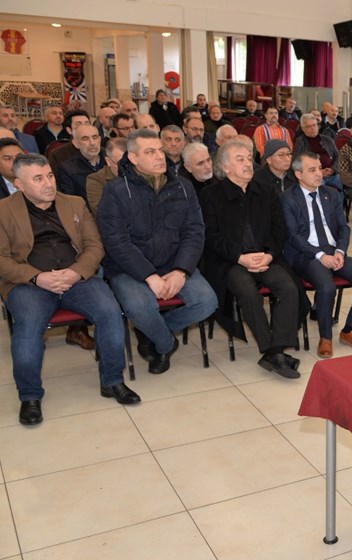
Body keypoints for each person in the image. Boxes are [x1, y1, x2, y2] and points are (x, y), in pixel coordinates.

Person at [0, 153, 141, 425]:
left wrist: (76, 272)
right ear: (19, 183)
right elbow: (2, 258)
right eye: (38, 179)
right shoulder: (4, 210)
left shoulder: (74, 203)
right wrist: (36, 277)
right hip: (28, 283)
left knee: (111, 312)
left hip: (76, 277)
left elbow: (95, 245)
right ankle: (30, 396)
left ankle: (112, 381)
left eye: (50, 176)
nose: (49, 184)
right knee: (28, 326)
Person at [97, 129, 218, 374]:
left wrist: (181, 271)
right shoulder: (117, 191)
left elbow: (194, 232)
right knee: (140, 307)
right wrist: (148, 276)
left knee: (207, 302)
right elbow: (116, 241)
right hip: (130, 269)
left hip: (174, 262)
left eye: (160, 150)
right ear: (133, 158)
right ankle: (165, 342)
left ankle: (152, 331)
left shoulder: (183, 187)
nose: (159, 156)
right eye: (150, 152)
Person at [199, 140, 305, 379]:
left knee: (288, 287)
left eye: (249, 158)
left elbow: (279, 229)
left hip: (264, 256)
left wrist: (268, 253)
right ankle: (271, 349)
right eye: (240, 159)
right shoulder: (210, 195)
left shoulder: (265, 191)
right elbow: (210, 236)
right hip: (230, 261)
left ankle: (275, 350)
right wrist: (240, 257)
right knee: (247, 291)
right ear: (225, 167)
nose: (248, 163)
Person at [282, 152, 352, 357]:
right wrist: (319, 256)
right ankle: (326, 336)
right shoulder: (288, 198)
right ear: (298, 174)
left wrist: (340, 251)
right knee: (326, 286)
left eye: (319, 168)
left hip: (333, 250)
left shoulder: (330, 194)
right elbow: (293, 235)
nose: (319, 174)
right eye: (312, 170)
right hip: (305, 254)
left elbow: (343, 228)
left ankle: (349, 330)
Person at [293, 114, 342, 190]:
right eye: (309, 126)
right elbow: (296, 162)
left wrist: (333, 169)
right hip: (313, 175)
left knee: (339, 191)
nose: (313, 128)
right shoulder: (300, 142)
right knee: (322, 192)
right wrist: (318, 171)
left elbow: (338, 156)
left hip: (332, 173)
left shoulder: (328, 139)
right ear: (303, 129)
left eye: (314, 125)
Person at [56, 124, 103, 200]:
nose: (92, 143)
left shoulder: (111, 162)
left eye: (95, 137)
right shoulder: (67, 169)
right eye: (85, 139)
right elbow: (70, 201)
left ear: (100, 139)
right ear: (76, 143)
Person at [85, 137, 127, 214]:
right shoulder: (96, 180)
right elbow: (103, 212)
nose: (126, 167)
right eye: (120, 164)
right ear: (108, 161)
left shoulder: (143, 173)